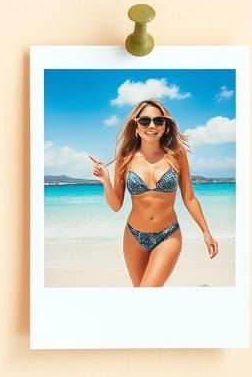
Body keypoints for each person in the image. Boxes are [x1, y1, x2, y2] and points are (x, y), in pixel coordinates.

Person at [89, 99, 218, 287]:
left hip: (168, 235)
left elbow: (189, 198)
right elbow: (116, 205)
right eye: (145, 121)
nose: (152, 125)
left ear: (165, 126)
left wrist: (206, 232)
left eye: (159, 121)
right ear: (136, 125)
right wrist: (105, 181)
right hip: (133, 236)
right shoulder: (125, 157)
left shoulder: (177, 155)